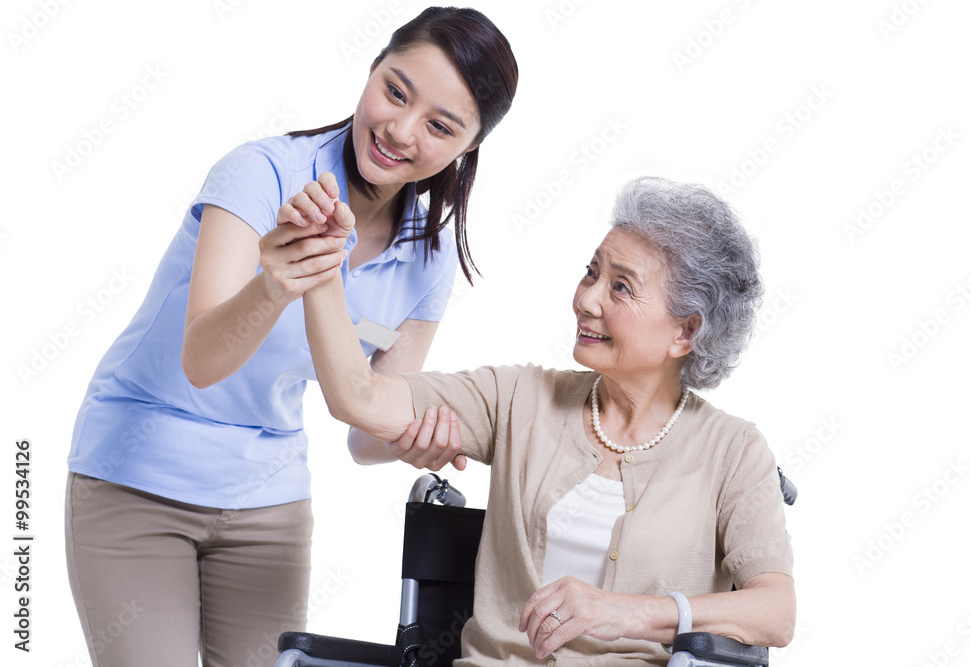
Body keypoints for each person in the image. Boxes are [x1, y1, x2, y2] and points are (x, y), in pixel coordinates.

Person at [64, 7, 518, 667]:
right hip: (136, 476)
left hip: (266, 502)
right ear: (371, 71)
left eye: (439, 125)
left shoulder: (431, 254)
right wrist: (275, 282)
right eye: (395, 90)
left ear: (467, 147)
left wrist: (413, 439)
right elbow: (201, 359)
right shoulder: (260, 174)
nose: (398, 128)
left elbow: (365, 428)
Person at [291, 175, 796, 664]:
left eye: (620, 288)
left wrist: (631, 614)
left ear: (684, 333)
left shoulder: (734, 451)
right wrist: (319, 269)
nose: (587, 299)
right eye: (591, 272)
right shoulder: (520, 398)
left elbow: (776, 612)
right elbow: (360, 399)